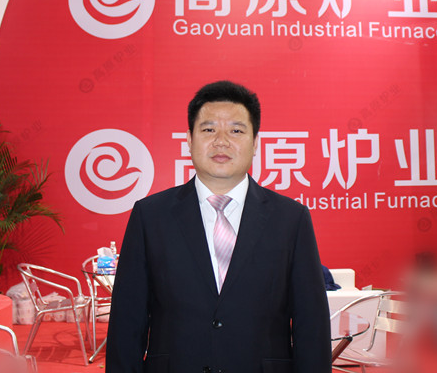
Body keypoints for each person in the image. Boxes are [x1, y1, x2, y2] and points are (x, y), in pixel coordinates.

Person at [106, 80, 331, 373]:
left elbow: (311, 324)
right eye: (209, 130)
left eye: (236, 131)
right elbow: (127, 322)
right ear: (189, 139)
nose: (221, 141)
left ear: (255, 142)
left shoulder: (291, 219)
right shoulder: (150, 216)